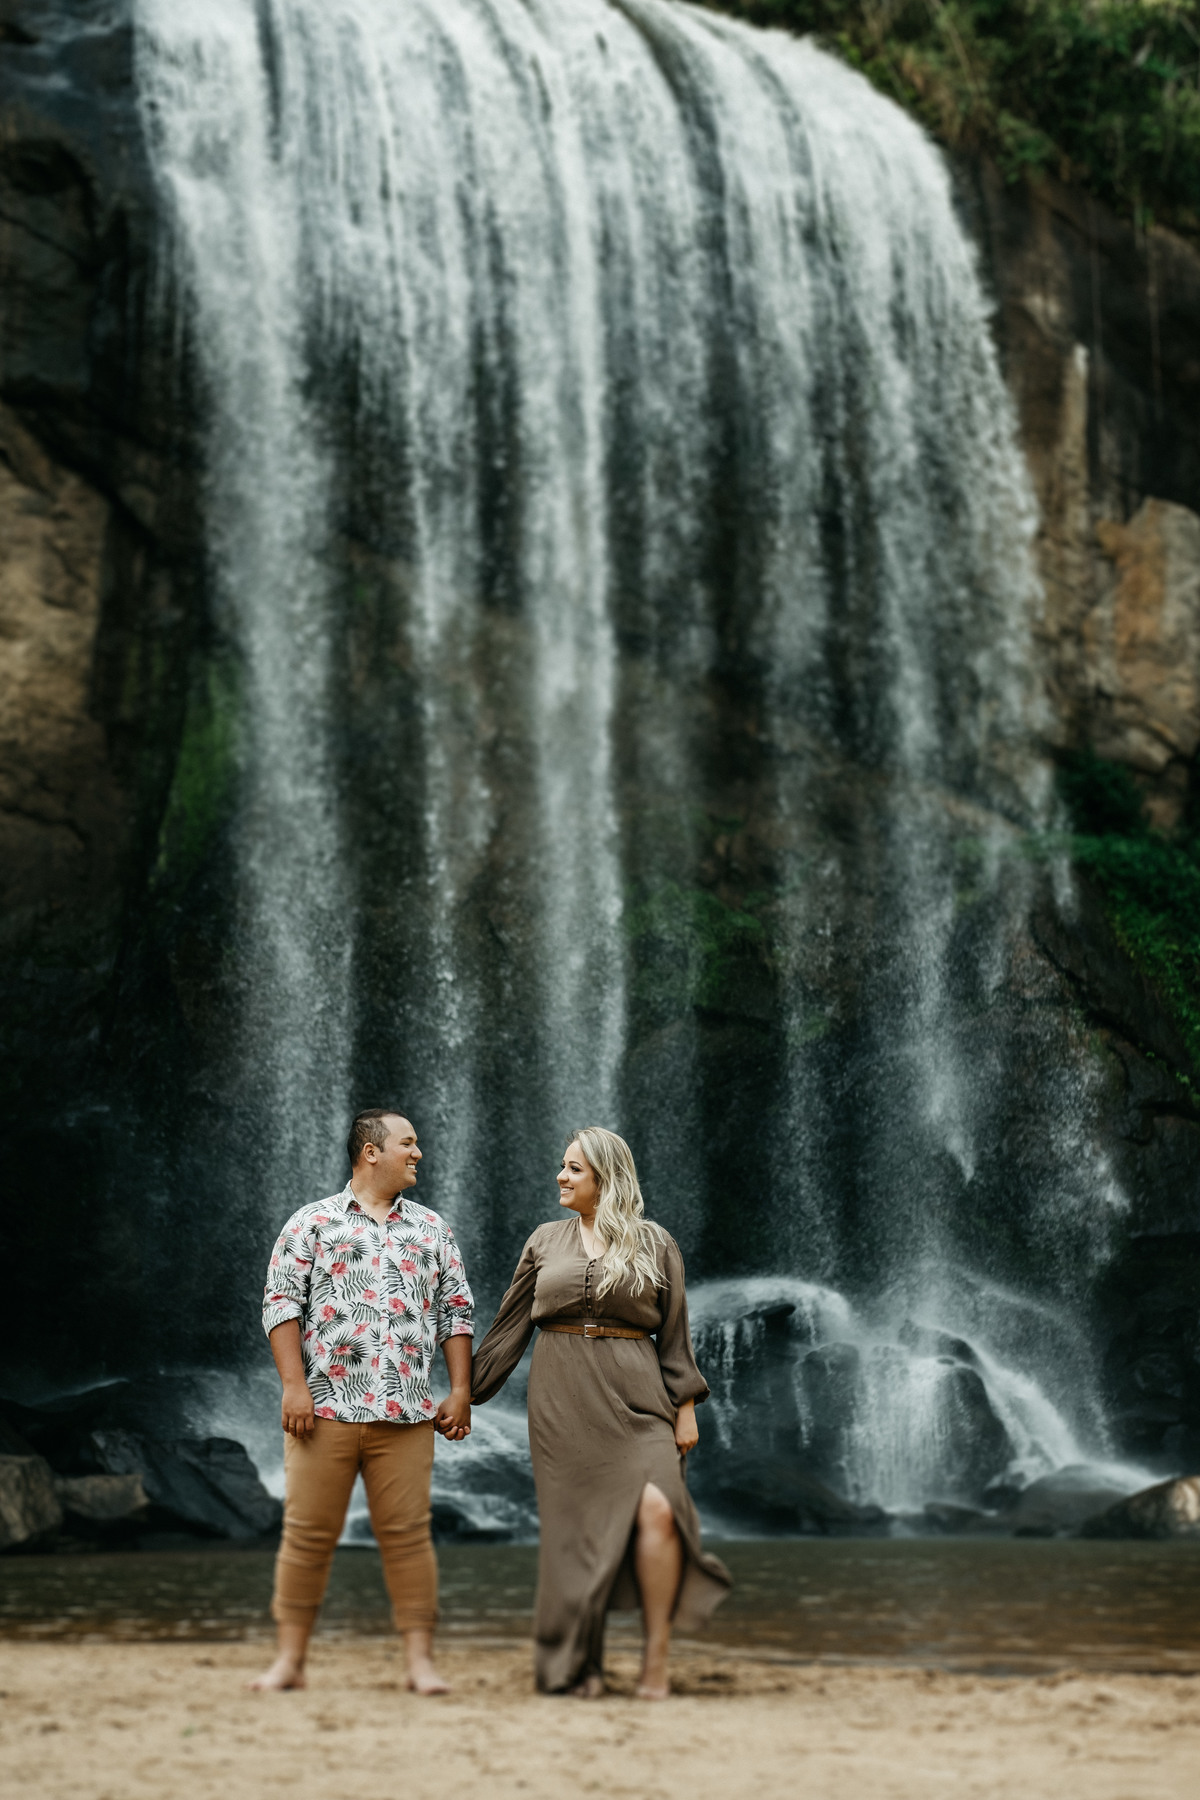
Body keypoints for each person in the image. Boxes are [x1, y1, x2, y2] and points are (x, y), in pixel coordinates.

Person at [471, 1125, 730, 1698]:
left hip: (640, 1398)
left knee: (661, 1511)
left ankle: (655, 1659)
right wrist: (464, 1395)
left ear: (606, 1178)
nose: (561, 1177)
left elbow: (675, 1334)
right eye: (562, 1166)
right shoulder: (544, 1240)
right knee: (572, 1535)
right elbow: (509, 1328)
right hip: (562, 1397)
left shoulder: (655, 1242)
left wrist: (685, 1407)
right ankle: (576, 1666)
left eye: (574, 1169)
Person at [251, 1108, 474, 1693]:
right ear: (371, 1151)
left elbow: (456, 1311)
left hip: (405, 1413)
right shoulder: (312, 1223)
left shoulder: (432, 1229)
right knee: (306, 1535)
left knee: (408, 1537)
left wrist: (460, 1390)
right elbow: (280, 1304)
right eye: (409, 1143)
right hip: (322, 1411)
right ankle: (290, 1663)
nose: (418, 1153)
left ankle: (420, 1663)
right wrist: (294, 1387)